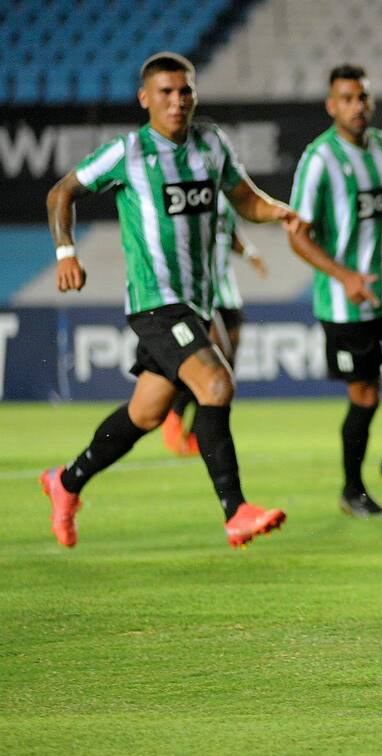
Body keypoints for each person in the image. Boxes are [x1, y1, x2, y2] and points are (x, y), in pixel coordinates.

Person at [40, 52, 296, 549]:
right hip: (157, 302)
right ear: (145, 98)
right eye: (165, 92)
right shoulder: (129, 151)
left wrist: (280, 213)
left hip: (194, 303)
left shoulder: (211, 143)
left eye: (185, 91)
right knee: (216, 384)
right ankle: (236, 510)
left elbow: (245, 199)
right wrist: (66, 252)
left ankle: (65, 482)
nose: (177, 101)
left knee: (146, 413)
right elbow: (60, 193)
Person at [287, 64, 382, 519]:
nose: (358, 106)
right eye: (348, 99)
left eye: (363, 97)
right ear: (331, 105)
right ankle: (352, 489)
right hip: (347, 302)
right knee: (365, 396)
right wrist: (345, 276)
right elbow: (298, 235)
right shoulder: (319, 159)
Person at [162, 192, 269, 456]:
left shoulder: (225, 199)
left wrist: (250, 253)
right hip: (203, 295)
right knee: (212, 363)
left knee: (228, 365)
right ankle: (174, 412)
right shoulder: (189, 195)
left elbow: (229, 235)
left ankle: (198, 433)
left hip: (229, 292)